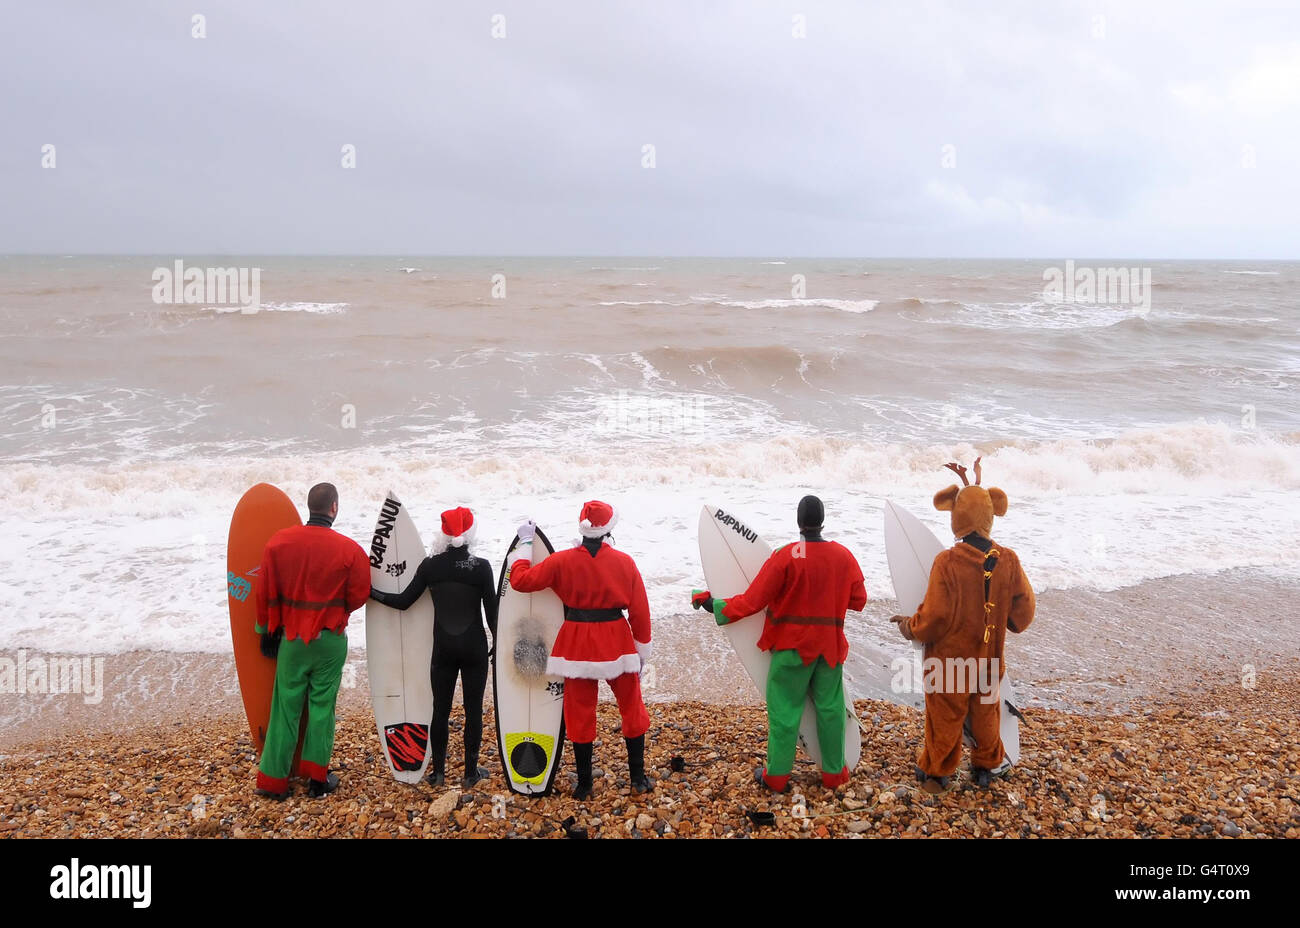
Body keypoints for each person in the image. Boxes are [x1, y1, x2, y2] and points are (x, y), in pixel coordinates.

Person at [691, 495, 865, 793]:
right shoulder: (843, 556)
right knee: (830, 710)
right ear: (823, 521)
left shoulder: (787, 555)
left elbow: (752, 601)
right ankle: (834, 775)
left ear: (799, 522)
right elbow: (859, 601)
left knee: (785, 712)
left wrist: (714, 604)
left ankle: (777, 777)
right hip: (829, 649)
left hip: (791, 650)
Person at [889, 458, 1036, 793]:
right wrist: (1003, 619)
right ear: (990, 515)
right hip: (988, 660)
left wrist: (910, 628)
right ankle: (985, 768)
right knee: (986, 714)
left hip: (950, 663)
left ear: (955, 515)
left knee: (945, 716)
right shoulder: (1008, 560)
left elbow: (935, 617)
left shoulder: (948, 562)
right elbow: (1023, 614)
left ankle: (938, 772)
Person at [507, 501, 652, 799]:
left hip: (576, 642)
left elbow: (520, 582)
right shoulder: (625, 562)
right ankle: (638, 778)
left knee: (580, 712)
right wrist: (641, 651)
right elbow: (640, 611)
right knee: (632, 708)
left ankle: (584, 785)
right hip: (617, 642)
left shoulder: (562, 561)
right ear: (610, 528)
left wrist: (524, 545)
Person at [369, 506, 498, 788]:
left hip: (444, 649)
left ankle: (438, 773)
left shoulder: (431, 566)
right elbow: (493, 616)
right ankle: (469, 774)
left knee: (440, 709)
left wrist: (372, 592)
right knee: (473, 710)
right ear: (470, 533)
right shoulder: (482, 567)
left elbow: (403, 601)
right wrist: (498, 646)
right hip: (474, 648)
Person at [254, 482, 369, 799]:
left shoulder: (279, 544)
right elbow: (359, 595)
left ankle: (274, 783)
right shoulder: (350, 551)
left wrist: (265, 629)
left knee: (285, 708)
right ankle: (317, 780)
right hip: (330, 642)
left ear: (309, 507)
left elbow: (264, 591)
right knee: (322, 708)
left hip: (292, 639)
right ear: (334, 507)